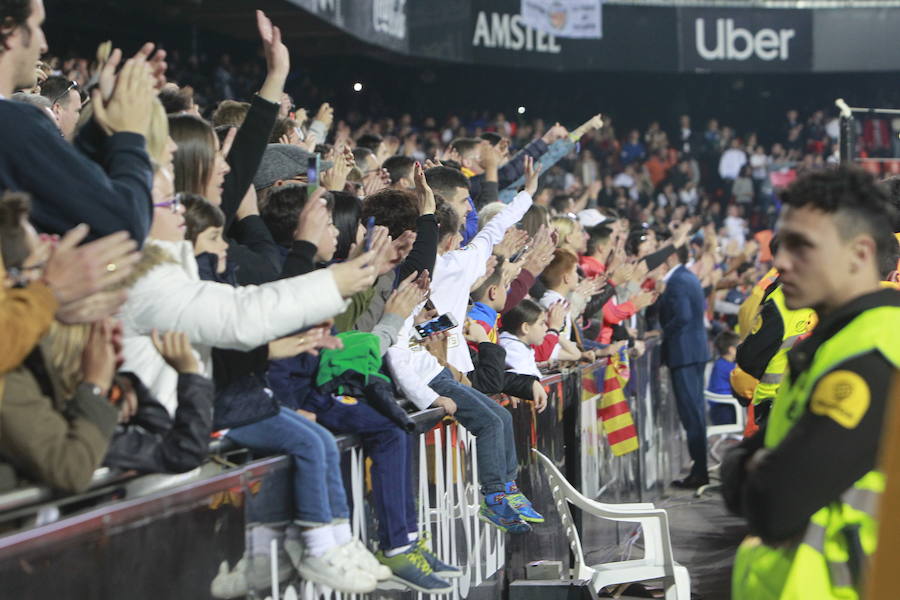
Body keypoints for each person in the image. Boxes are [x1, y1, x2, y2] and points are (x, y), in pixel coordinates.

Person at [723, 167, 900, 600]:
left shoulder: (872, 354)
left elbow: (775, 502)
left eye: (804, 247)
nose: (781, 261)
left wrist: (747, 469)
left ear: (860, 254)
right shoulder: (836, 343)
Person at [0, 0, 160, 242]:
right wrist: (129, 135)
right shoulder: (13, 123)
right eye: (37, 25)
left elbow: (61, 183)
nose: (43, 45)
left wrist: (99, 128)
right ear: (9, 30)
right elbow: (125, 226)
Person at [659, 244, 710, 489]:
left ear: (671, 257)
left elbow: (683, 316)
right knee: (696, 414)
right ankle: (700, 469)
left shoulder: (678, 281)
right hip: (694, 352)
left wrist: (660, 333)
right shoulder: (687, 276)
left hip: (684, 353)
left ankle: (700, 472)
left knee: (692, 415)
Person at [707, 330, 739, 425]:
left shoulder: (721, 363)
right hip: (723, 409)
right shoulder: (726, 367)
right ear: (731, 350)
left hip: (721, 407)